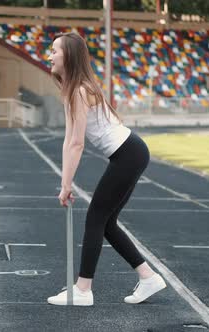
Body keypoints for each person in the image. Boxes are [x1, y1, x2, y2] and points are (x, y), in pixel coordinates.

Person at [45, 32, 166, 306]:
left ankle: (83, 290)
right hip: (130, 153)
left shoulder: (79, 90)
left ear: (70, 56)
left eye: (54, 51)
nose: (49, 56)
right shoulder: (74, 89)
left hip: (128, 154)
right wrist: (65, 182)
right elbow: (69, 140)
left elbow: (77, 144)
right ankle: (148, 278)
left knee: (95, 218)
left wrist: (66, 185)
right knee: (106, 222)